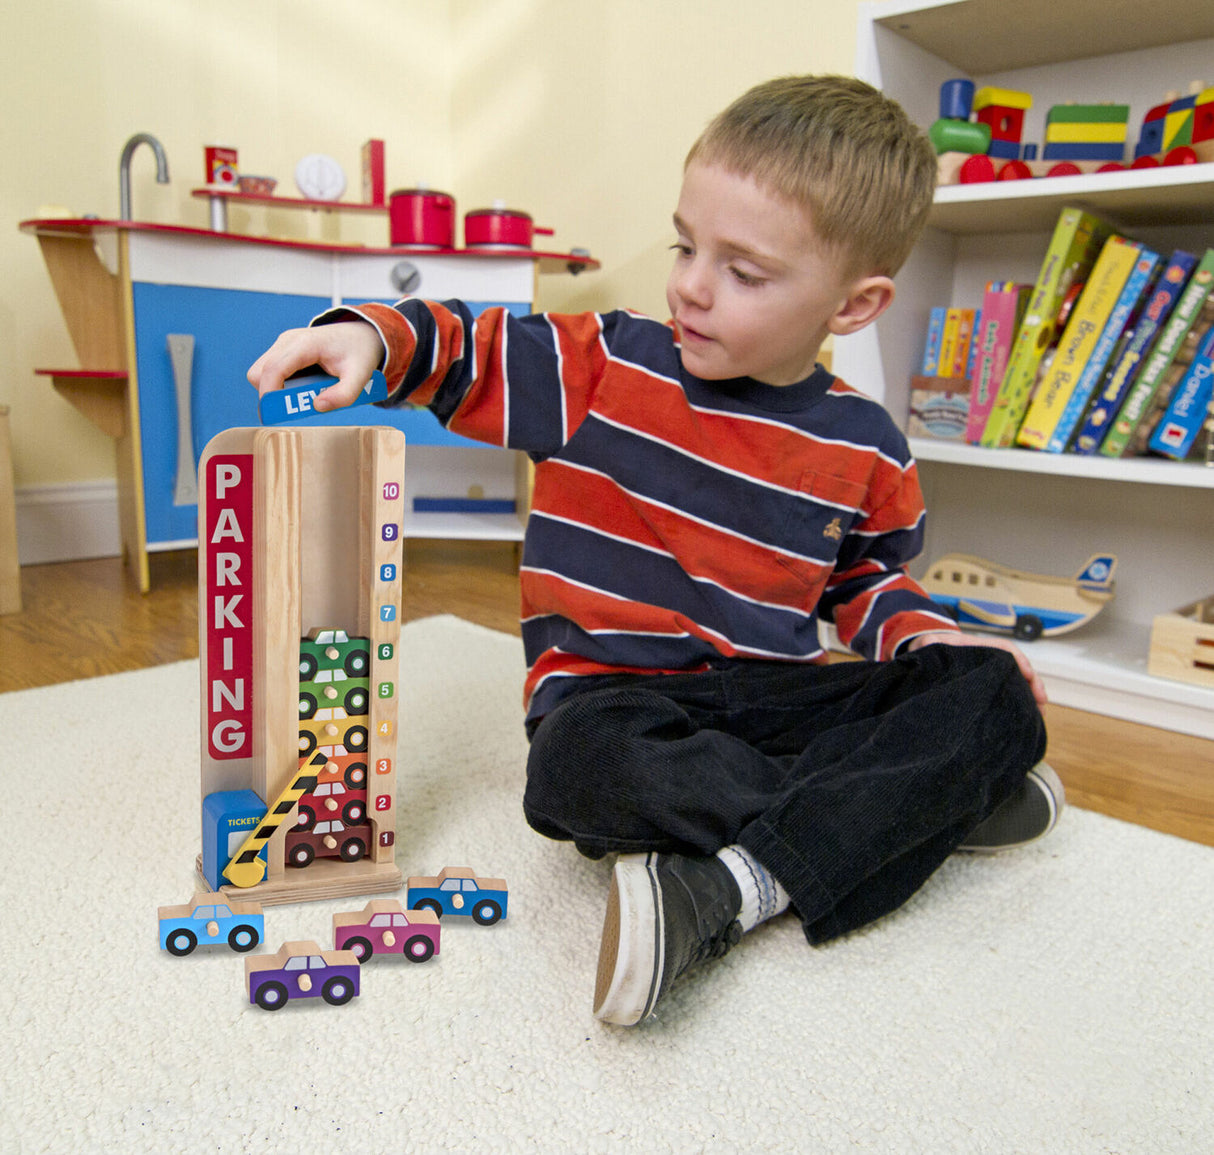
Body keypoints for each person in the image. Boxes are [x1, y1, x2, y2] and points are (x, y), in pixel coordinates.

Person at [249, 74, 1058, 1028]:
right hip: (613, 696)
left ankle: (733, 881)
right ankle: (894, 813)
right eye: (686, 244)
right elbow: (470, 344)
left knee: (994, 690)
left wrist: (928, 644)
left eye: (744, 272)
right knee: (574, 770)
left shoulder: (867, 444)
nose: (691, 284)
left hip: (768, 700)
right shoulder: (607, 365)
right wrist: (366, 339)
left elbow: (870, 582)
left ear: (853, 305)